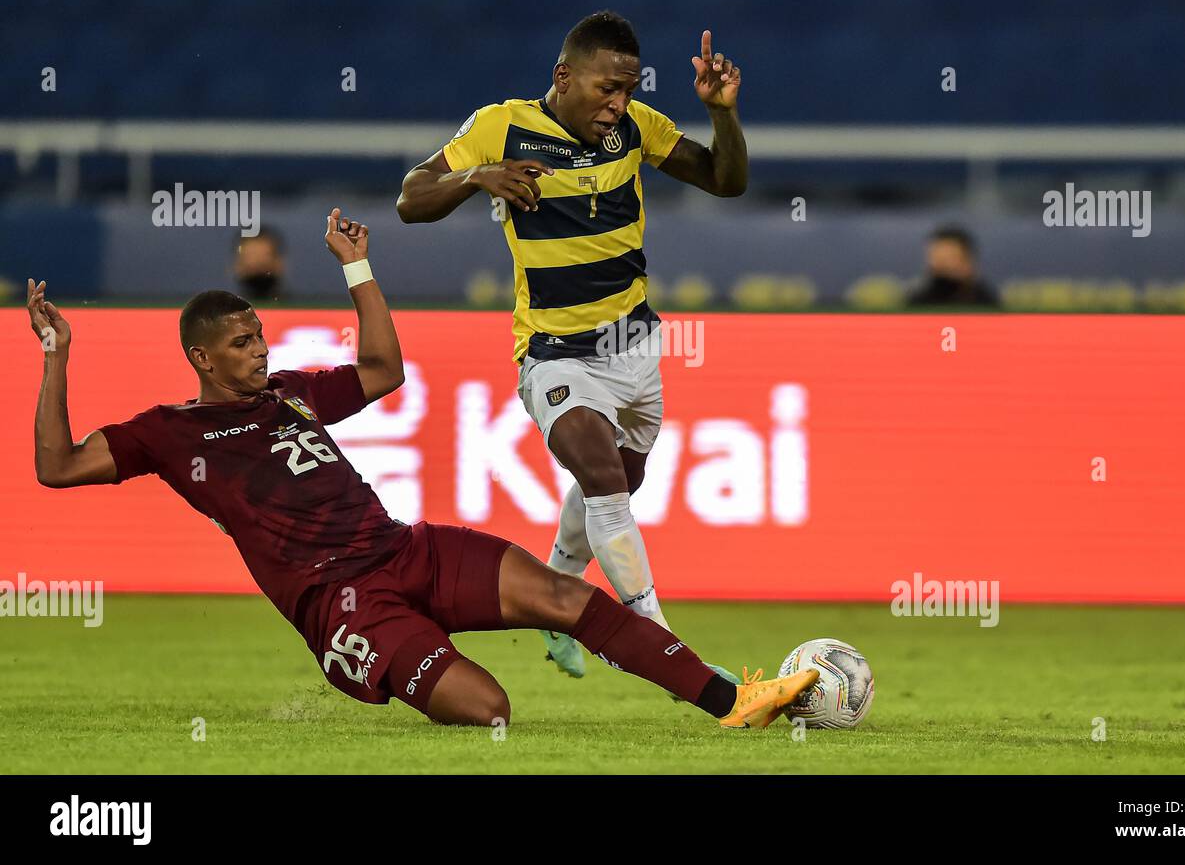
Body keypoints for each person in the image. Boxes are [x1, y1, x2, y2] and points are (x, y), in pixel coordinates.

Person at [26, 208, 815, 729]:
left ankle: (729, 700)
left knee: (563, 595)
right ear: (201, 356)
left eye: (260, 334)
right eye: (241, 343)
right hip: (343, 603)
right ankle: (414, 651)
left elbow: (380, 372)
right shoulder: (169, 433)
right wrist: (57, 356)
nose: (261, 348)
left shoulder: (291, 393)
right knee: (490, 708)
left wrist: (358, 269)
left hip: (406, 549)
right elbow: (56, 466)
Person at [396, 11, 748, 679]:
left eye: (628, 89)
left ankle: (558, 587)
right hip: (555, 353)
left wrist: (723, 115)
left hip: (635, 348)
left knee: (621, 479)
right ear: (564, 76)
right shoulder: (502, 124)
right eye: (605, 89)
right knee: (605, 478)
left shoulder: (637, 129)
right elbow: (409, 200)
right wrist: (477, 178)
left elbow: (726, 181)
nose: (617, 105)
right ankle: (669, 653)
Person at [906, 225, 1000, 307]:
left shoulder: (987, 303)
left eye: (949, 258)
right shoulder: (917, 301)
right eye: (936, 258)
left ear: (968, 262)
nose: (940, 266)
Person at [232, 226, 286, 303]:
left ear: (279, 264)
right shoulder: (223, 311)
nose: (257, 267)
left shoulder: (298, 309)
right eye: (250, 260)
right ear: (237, 265)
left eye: (264, 263)